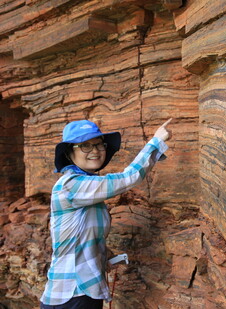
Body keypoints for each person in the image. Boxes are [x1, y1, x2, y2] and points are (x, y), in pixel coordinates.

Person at [40, 118, 172, 309]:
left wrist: (105, 257)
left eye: (98, 144)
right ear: (69, 153)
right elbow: (128, 178)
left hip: (83, 291)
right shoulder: (70, 186)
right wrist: (156, 142)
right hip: (72, 294)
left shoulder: (86, 188)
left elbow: (82, 237)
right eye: (85, 146)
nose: (94, 151)